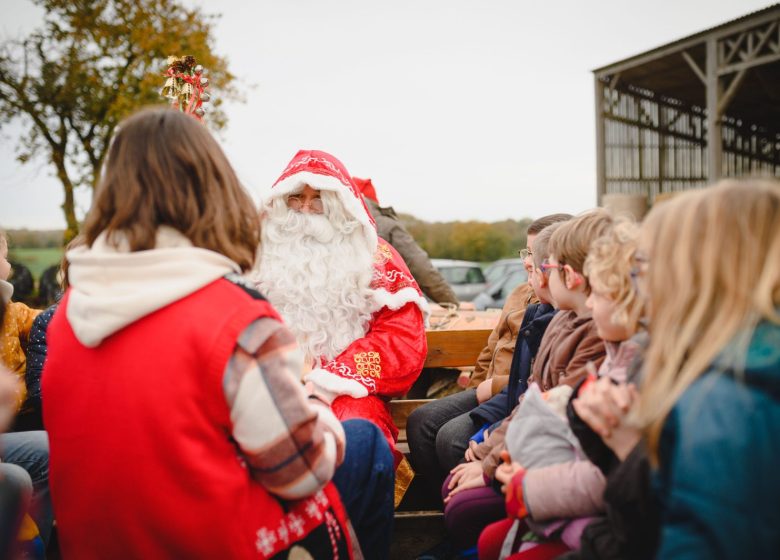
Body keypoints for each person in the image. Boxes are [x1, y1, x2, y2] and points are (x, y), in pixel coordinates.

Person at [42, 109, 393, 559]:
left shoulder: (70, 311)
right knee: (361, 442)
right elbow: (300, 471)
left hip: (96, 540)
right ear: (215, 193)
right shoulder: (235, 317)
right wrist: (314, 409)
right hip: (205, 541)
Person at [575, 180, 780, 559]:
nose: (638, 283)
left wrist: (632, 450)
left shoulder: (727, 399)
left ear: (692, 275)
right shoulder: (731, 370)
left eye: (645, 264)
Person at [440, 210, 611, 556]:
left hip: (552, 464)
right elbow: (528, 392)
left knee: (465, 501)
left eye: (542, 268)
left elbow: (550, 413)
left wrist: (492, 462)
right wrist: (489, 444)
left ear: (571, 275)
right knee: (445, 449)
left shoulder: (592, 333)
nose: (534, 275)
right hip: (528, 445)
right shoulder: (558, 321)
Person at [481, 218, 646, 560]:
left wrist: (519, 478)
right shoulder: (580, 330)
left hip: (598, 519)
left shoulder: (628, 357)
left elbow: (613, 468)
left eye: (598, 294)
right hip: (573, 494)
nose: (591, 303)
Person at [253, 150, 428, 465]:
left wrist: (328, 379)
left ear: (339, 203)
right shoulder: (255, 256)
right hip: (266, 384)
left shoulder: (374, 257)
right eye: (295, 198)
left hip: (346, 392)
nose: (305, 209)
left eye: (318, 199)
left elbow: (402, 338)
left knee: (358, 437)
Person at [407, 214, 571, 491]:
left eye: (534, 254)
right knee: (420, 421)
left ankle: (465, 503)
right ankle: (444, 502)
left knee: (451, 437)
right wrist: (474, 389)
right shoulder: (520, 295)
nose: (526, 261)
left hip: (508, 390)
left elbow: (535, 376)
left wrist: (491, 387)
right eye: (525, 252)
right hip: (490, 388)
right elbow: (491, 348)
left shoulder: (554, 309)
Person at [352, 177, 459, 306]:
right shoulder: (387, 225)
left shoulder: (332, 225)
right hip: (381, 311)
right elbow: (421, 267)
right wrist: (452, 303)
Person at [0, 230, 41, 414]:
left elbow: (41, 320)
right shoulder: (9, 311)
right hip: (15, 411)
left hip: (17, 407)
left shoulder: (13, 310)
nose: (9, 264)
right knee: (45, 443)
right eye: (5, 258)